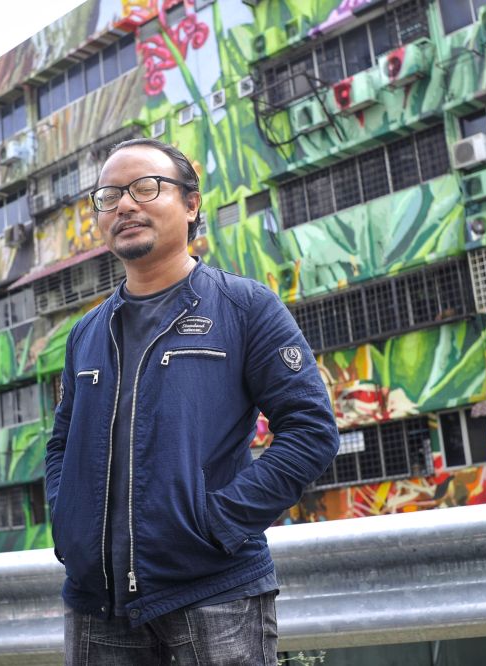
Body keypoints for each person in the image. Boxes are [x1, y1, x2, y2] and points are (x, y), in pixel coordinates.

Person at [45, 138, 339, 665]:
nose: (126, 205)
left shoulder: (245, 307)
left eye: (146, 187)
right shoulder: (86, 333)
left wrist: (216, 523)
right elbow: (62, 445)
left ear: (191, 203)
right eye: (109, 196)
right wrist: (70, 531)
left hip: (213, 596)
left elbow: (311, 431)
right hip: (97, 607)